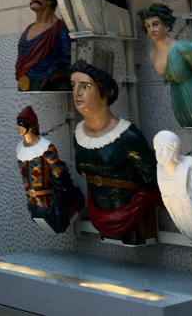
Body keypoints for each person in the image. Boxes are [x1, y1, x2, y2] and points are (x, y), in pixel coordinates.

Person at [71, 59, 160, 245]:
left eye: (85, 86)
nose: (77, 92)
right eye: (73, 85)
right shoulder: (78, 135)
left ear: (105, 93)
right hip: (97, 213)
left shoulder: (128, 136)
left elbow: (152, 177)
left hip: (129, 213)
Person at [140, 3, 192, 130]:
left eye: (155, 24)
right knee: (188, 127)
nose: (151, 29)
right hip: (177, 95)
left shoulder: (186, 48)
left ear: (166, 26)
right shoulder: (153, 54)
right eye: (148, 26)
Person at [16, 105, 84, 234]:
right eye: (18, 123)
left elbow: (59, 174)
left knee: (54, 221)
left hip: (47, 201)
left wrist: (54, 165)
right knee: (39, 218)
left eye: (22, 123)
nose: (18, 127)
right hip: (31, 202)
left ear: (31, 126)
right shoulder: (20, 149)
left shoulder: (46, 147)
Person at [15, 0, 71, 91]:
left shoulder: (60, 29)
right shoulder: (28, 28)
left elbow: (67, 59)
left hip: (49, 86)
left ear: (50, 0)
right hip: (25, 85)